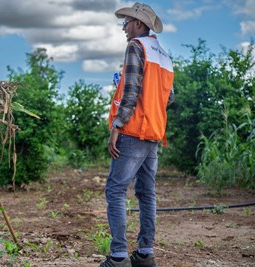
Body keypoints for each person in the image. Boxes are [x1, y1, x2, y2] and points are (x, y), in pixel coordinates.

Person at [101, 3, 174, 267]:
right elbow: (169, 97)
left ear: (140, 25)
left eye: (128, 22)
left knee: (116, 190)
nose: (124, 27)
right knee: (146, 193)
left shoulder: (136, 47)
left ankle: (119, 256)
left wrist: (116, 127)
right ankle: (145, 254)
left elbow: (131, 94)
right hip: (154, 133)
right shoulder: (163, 54)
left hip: (134, 131)